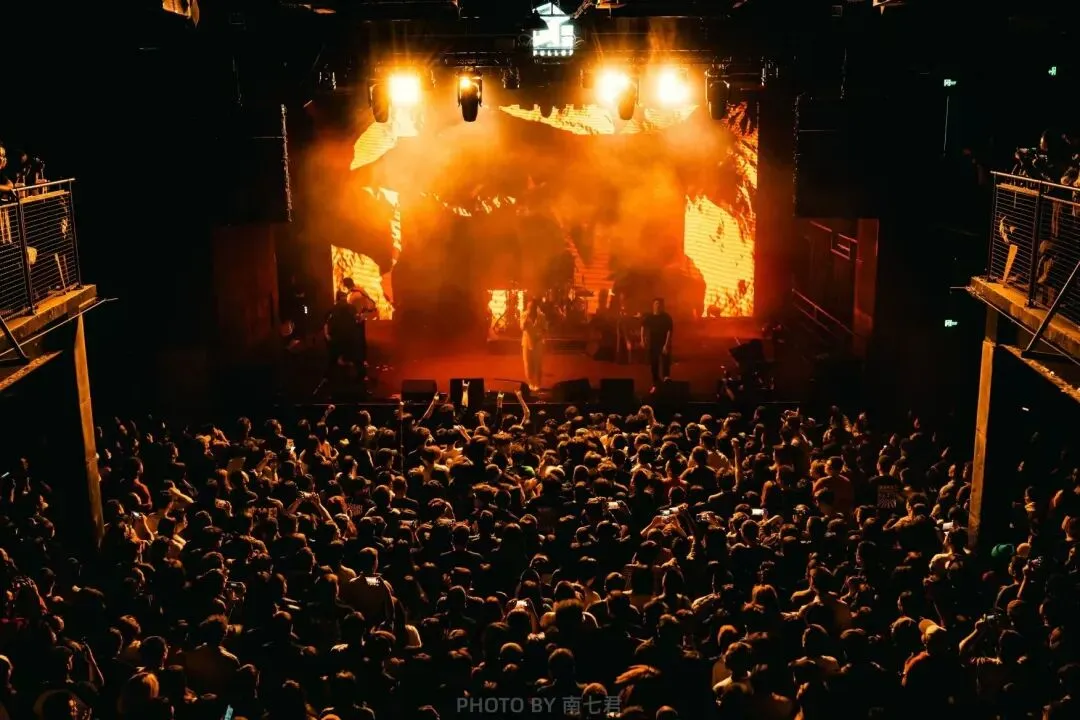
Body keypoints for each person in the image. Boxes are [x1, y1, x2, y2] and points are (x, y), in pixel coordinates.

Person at [641, 297, 674, 388]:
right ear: (653, 305)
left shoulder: (666, 317)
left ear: (662, 306)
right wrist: (642, 339)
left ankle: (666, 378)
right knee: (654, 362)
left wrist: (666, 345)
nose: (658, 306)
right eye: (656, 304)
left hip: (664, 341)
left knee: (665, 360)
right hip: (653, 342)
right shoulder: (649, 317)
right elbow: (643, 327)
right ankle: (655, 381)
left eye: (659, 304)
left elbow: (669, 331)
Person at [521, 298, 547, 392]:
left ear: (536, 307)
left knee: (538, 364)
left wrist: (540, 336)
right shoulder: (524, 315)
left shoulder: (541, 316)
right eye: (529, 307)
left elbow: (545, 329)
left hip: (538, 343)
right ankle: (530, 383)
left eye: (532, 307)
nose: (530, 309)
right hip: (526, 342)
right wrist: (526, 318)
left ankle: (538, 383)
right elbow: (522, 327)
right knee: (528, 363)